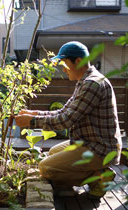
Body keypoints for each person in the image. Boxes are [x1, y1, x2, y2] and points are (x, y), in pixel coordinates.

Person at [15, 41, 122, 199]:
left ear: (78, 61)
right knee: (52, 152)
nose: (63, 69)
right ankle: (98, 172)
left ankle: (100, 177)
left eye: (64, 63)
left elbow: (65, 121)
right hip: (88, 142)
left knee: (46, 168)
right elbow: (63, 112)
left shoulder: (92, 84)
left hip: (100, 149)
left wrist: (31, 122)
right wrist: (33, 113)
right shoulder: (84, 82)